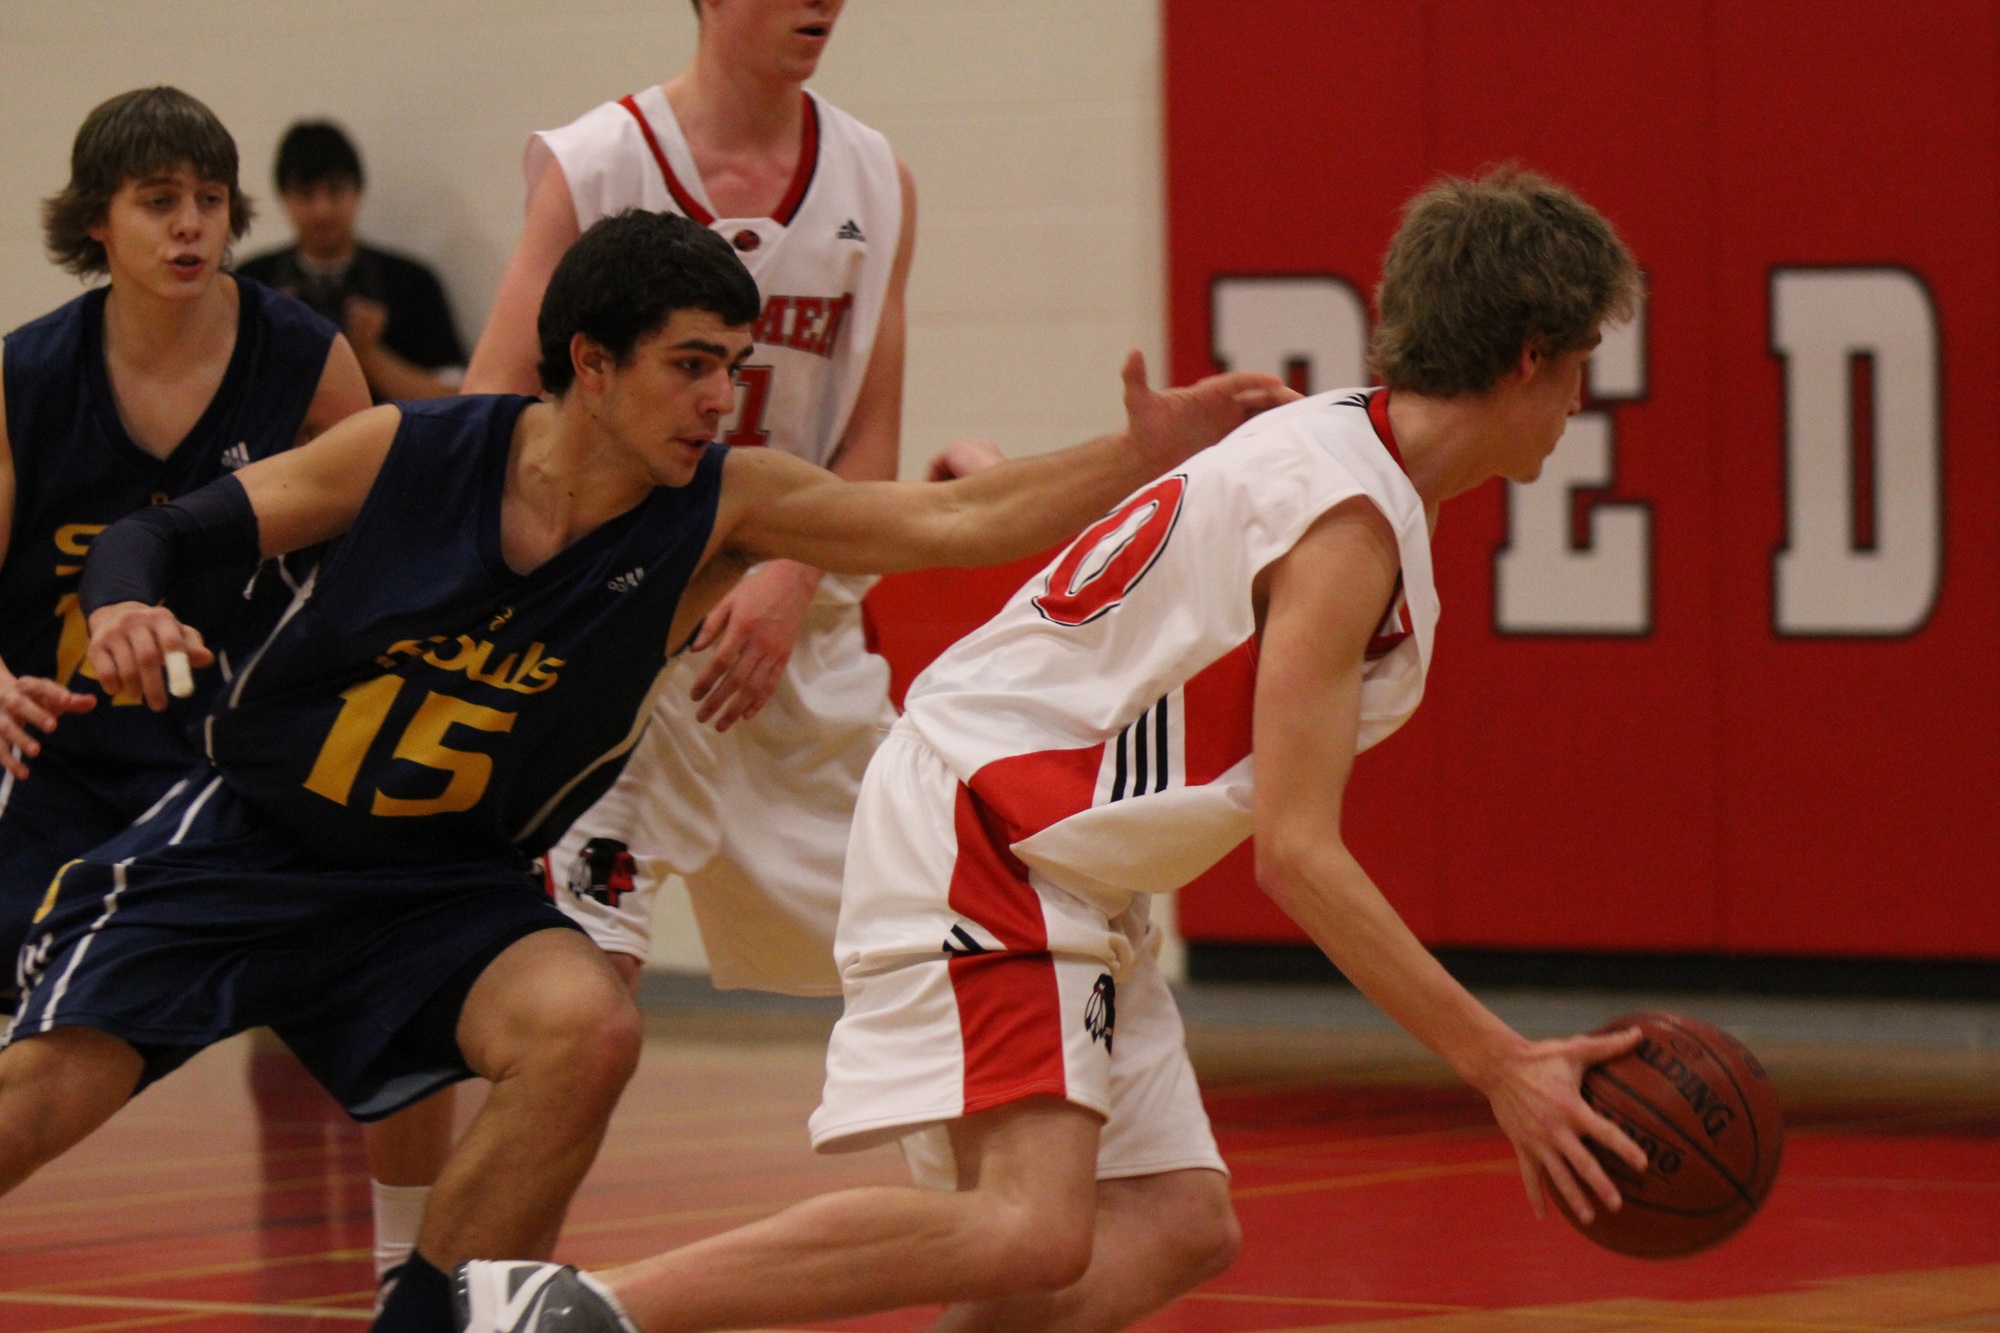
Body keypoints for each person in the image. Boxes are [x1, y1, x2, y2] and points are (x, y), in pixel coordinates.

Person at [0, 210, 1286, 1333]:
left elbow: (949, 519)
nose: (721, 399)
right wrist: (123, 608)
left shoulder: (719, 507)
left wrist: (1138, 453)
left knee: (587, 1028)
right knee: (39, 1101)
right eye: (690, 366)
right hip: (251, 842)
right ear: (591, 363)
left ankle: (447, 1323)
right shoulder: (409, 451)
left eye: (733, 367)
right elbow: (157, 536)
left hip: (441, 883)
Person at [450, 167, 1657, 1333]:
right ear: (1526, 355)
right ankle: (578, 1310)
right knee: (1030, 1226)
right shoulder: (1345, 523)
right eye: (1578, 366)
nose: (1576, 402)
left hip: (1062, 857)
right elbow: (1295, 854)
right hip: (992, 830)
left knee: (1176, 1222)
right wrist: (1501, 1063)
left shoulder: (1340, 449)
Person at [0, 86, 369, 997]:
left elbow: (376, 562)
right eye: (159, 200)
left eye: (210, 199)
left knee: (350, 972)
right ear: (98, 220)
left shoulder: (306, 359)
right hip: (58, 750)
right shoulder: (26, 376)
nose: (190, 225)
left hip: (233, 757)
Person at [238, 120, 466, 402]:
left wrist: (368, 353)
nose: (322, 210)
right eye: (306, 194)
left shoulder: (411, 283)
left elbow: (457, 397)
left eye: (335, 191)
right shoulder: (253, 285)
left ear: (358, 190)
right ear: (283, 197)